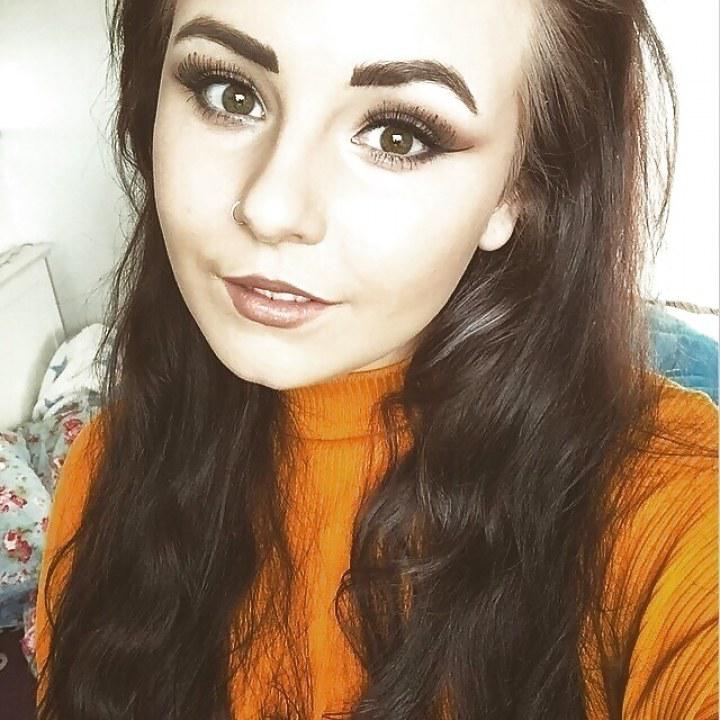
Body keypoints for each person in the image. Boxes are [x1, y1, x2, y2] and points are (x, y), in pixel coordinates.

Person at [34, 0, 718, 718]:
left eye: (398, 135)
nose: (271, 208)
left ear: (519, 187)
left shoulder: (672, 509)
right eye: (230, 94)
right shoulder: (104, 473)